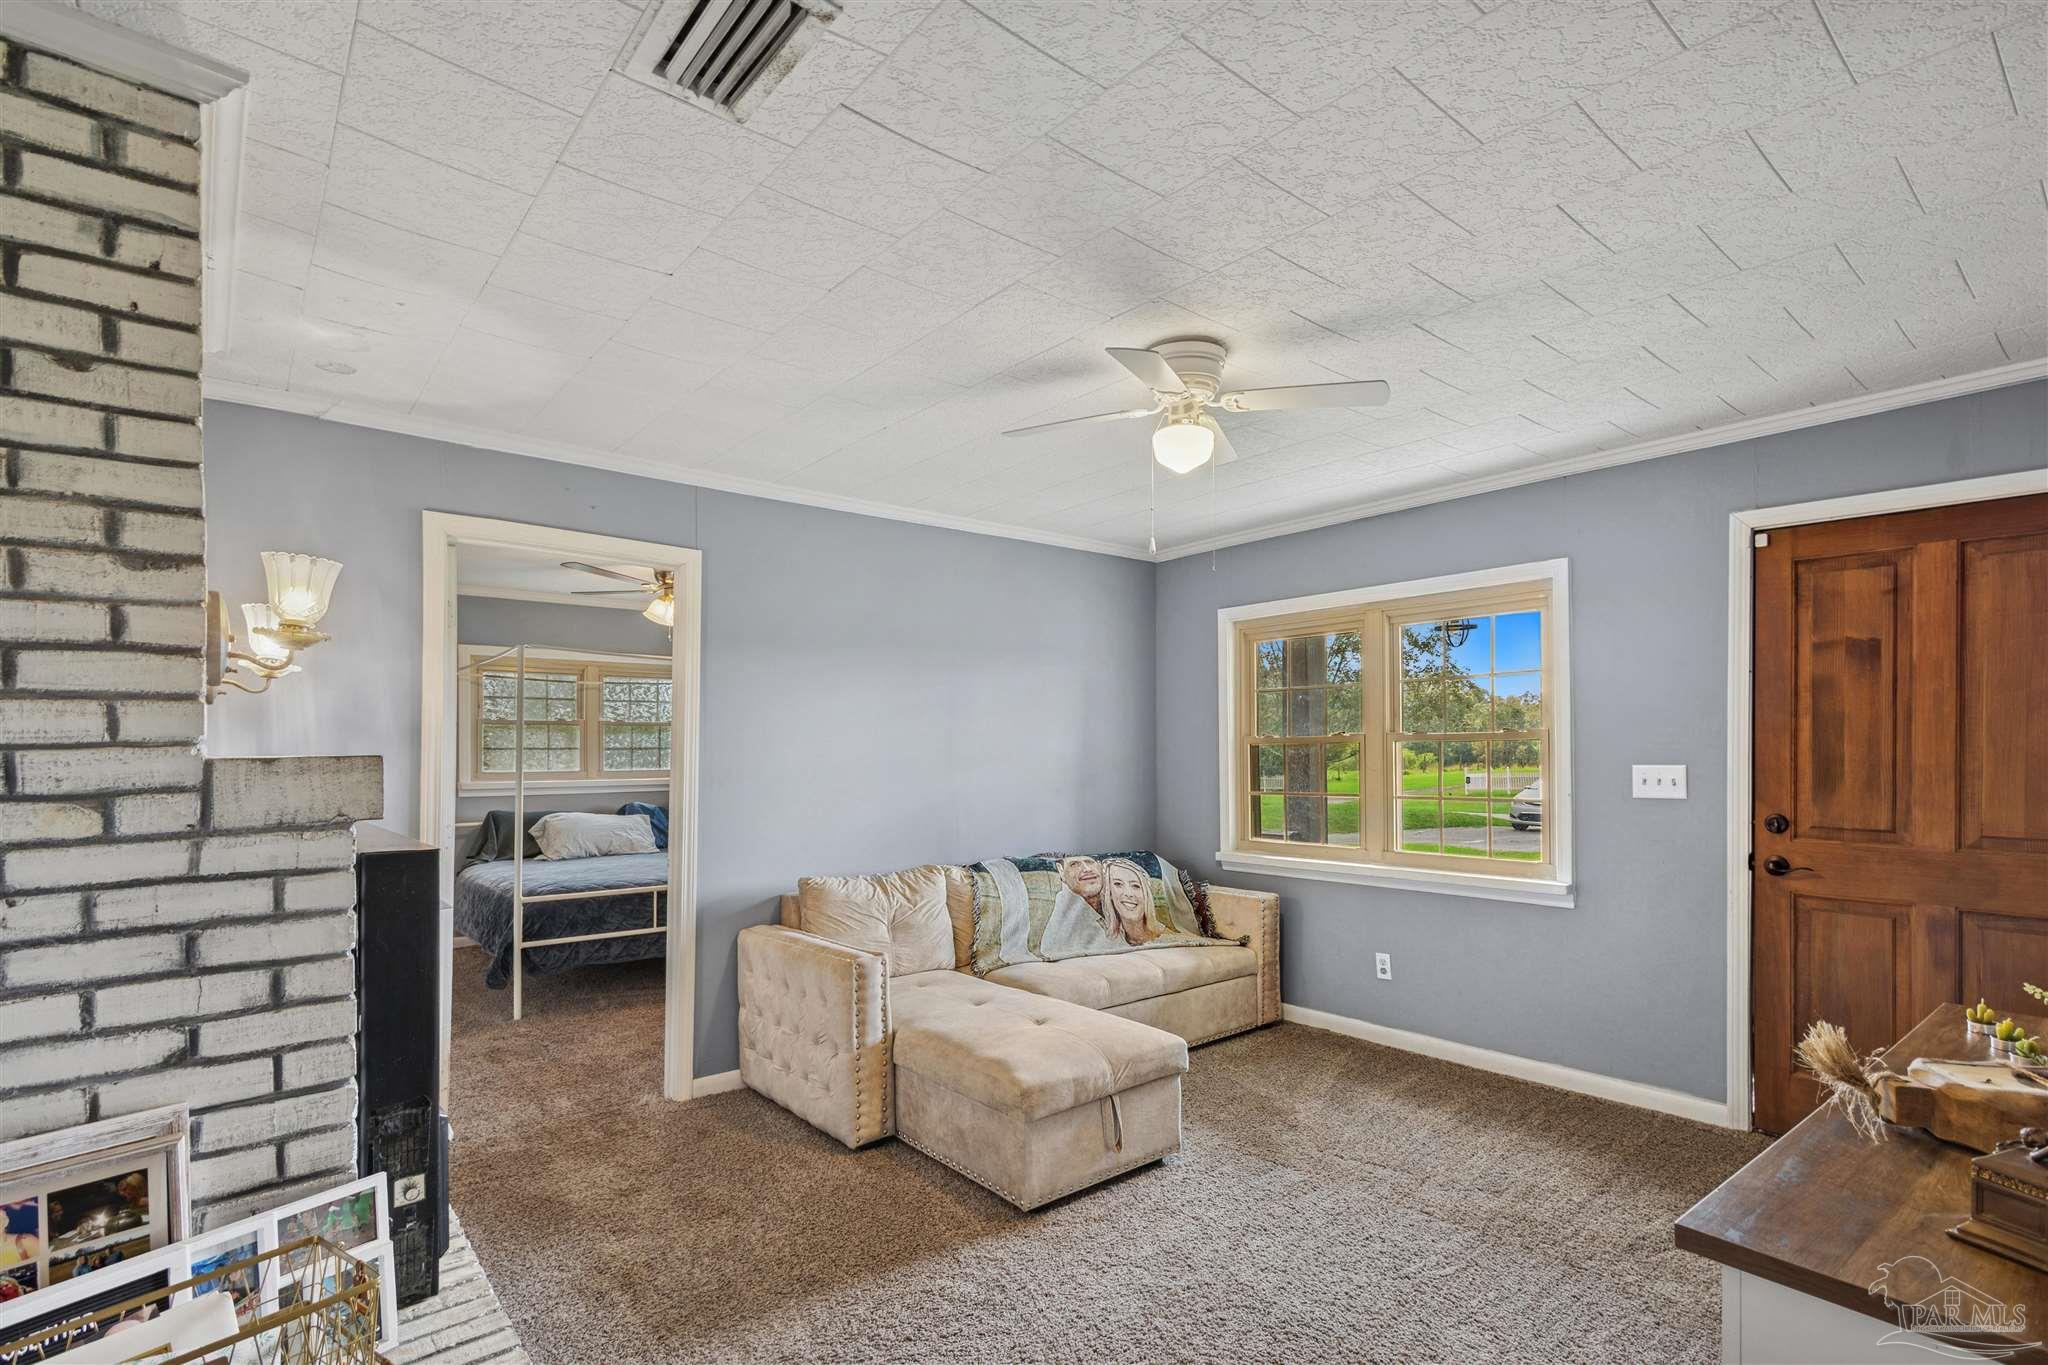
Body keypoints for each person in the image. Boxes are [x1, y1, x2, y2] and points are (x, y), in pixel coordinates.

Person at [1036, 854, 1114, 958]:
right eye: (1074, 864)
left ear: (1101, 867)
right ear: (1061, 872)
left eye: (1089, 862)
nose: (1087, 869)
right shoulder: (1053, 915)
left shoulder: (1124, 902)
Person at [1102, 858, 1163, 946]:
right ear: (1109, 893)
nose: (1128, 894)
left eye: (1136, 886)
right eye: (1118, 884)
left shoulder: (1173, 937)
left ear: (1146, 894)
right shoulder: (1104, 941)